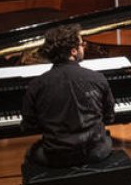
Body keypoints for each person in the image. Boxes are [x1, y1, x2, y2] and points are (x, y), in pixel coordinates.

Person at [21, 24, 114, 167]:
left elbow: (29, 126)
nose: (84, 47)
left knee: (31, 152)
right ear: (74, 51)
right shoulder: (98, 78)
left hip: (57, 157)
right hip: (95, 151)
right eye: (82, 44)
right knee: (106, 138)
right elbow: (109, 117)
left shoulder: (36, 85)